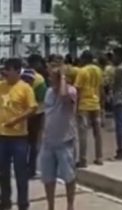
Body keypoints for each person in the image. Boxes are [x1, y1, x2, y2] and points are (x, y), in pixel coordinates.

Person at [0, 58, 37, 210]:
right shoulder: (1, 86)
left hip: (19, 138)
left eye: (8, 70)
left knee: (20, 172)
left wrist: (16, 120)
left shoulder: (25, 88)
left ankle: (23, 203)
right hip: (2, 137)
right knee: (3, 173)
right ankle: (5, 202)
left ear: (17, 71)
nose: (5, 73)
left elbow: (32, 108)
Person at [40, 65, 77, 210]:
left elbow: (63, 96)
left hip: (65, 141)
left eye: (53, 77)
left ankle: (70, 205)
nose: (50, 80)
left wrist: (62, 76)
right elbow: (46, 113)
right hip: (49, 141)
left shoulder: (70, 91)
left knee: (69, 176)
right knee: (48, 177)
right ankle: (51, 206)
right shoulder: (48, 92)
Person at [75, 50, 103, 167]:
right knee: (98, 132)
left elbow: (77, 89)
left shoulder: (83, 71)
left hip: (84, 104)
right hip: (96, 103)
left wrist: (75, 106)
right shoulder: (98, 70)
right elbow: (101, 88)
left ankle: (83, 159)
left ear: (85, 59)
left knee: (83, 133)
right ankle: (99, 157)